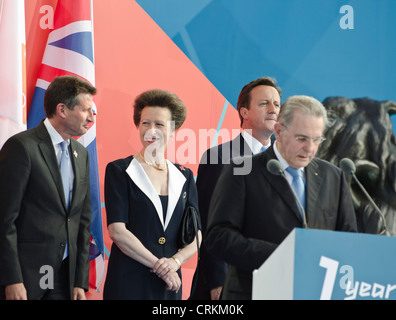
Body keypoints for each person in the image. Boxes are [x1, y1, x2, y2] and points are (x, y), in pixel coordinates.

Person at [205, 95, 358, 300]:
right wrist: (281, 256)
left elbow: (348, 239)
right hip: (254, 291)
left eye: (317, 139)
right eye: (302, 138)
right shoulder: (242, 170)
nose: (310, 148)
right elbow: (218, 237)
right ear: (279, 131)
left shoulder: (333, 176)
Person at [0, 75, 96, 300]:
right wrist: (12, 279)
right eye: (86, 110)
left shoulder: (81, 154)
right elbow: (5, 219)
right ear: (62, 109)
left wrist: (79, 281)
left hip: (64, 278)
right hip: (26, 277)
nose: (91, 117)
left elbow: (82, 220)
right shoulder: (22, 147)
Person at [103, 89, 202, 300]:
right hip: (129, 282)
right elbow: (117, 231)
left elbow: (196, 235)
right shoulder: (120, 170)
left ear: (173, 129)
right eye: (145, 123)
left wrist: (175, 262)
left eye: (159, 124)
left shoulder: (184, 176)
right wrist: (160, 267)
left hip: (169, 287)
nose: (151, 130)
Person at [192, 77, 281, 300]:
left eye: (277, 104)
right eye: (264, 104)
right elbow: (209, 224)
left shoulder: (285, 163)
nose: (273, 110)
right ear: (244, 112)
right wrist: (217, 280)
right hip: (229, 282)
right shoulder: (219, 157)